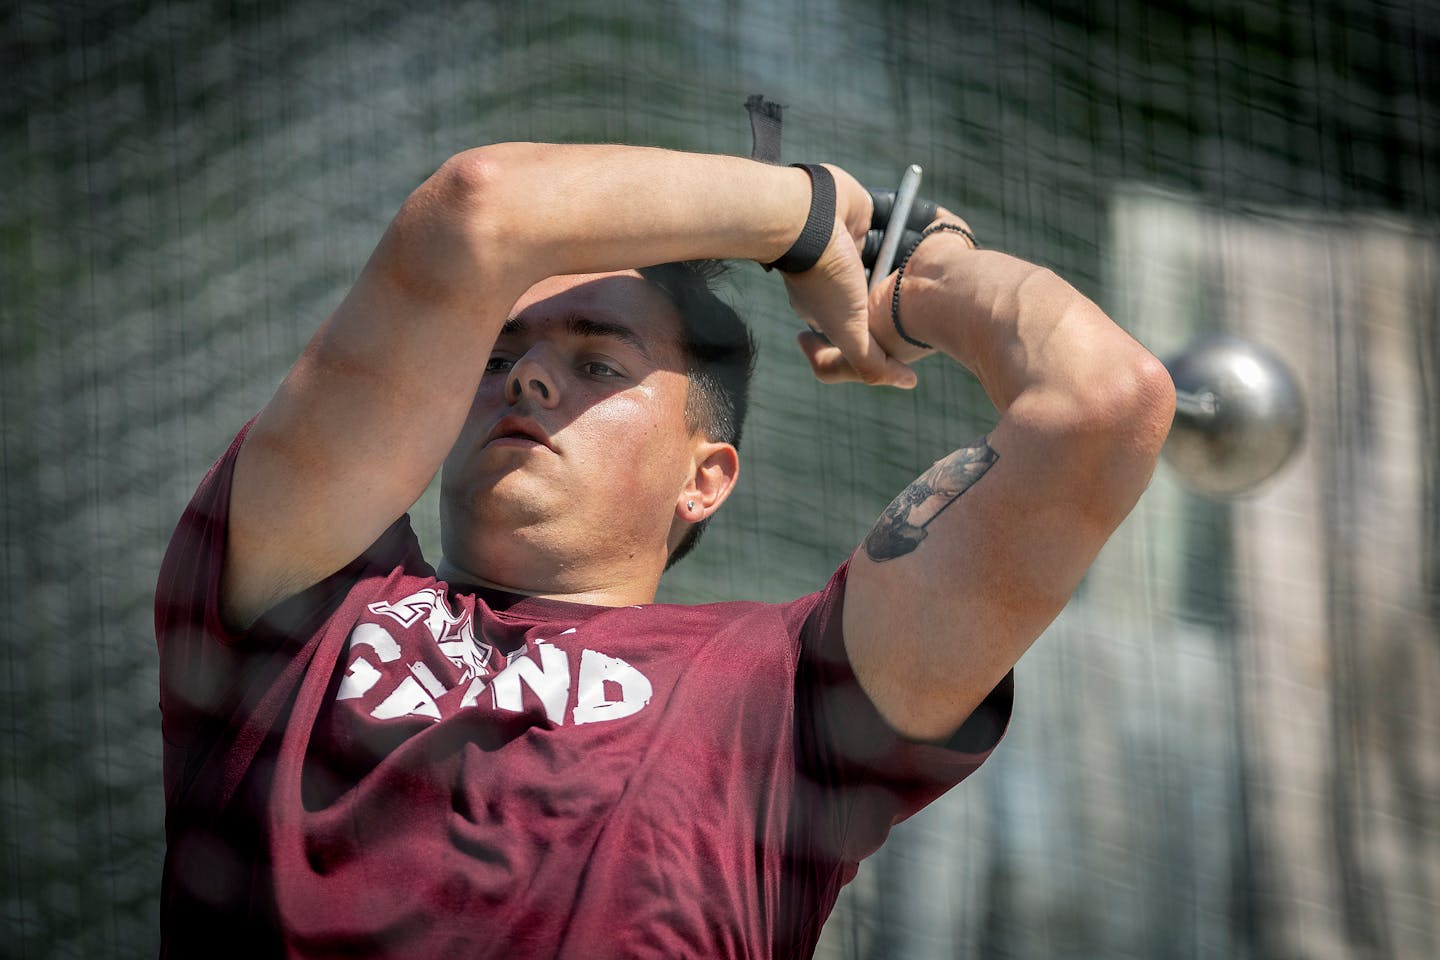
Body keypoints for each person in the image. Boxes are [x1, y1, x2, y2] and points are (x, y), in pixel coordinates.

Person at [154, 142, 1174, 958]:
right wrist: (805, 213)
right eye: (500, 352)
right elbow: (477, 205)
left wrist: (916, 274)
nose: (529, 381)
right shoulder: (303, 605)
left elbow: (1102, 405)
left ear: (707, 476)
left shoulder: (791, 702)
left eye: (597, 357)